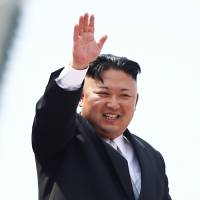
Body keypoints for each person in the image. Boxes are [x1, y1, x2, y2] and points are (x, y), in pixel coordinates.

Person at [32, 13, 171, 200]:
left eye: (124, 95)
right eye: (103, 93)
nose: (113, 104)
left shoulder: (153, 158)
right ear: (81, 96)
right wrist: (78, 67)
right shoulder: (64, 137)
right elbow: (53, 113)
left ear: (135, 101)